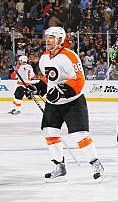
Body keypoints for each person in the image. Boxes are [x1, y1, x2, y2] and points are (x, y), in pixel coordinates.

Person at [28, 27, 105, 182]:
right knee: (50, 133)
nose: (47, 40)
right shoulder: (44, 58)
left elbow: (79, 80)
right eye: (46, 37)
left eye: (51, 37)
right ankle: (59, 167)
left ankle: (96, 164)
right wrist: (36, 88)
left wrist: (61, 91)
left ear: (60, 40)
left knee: (80, 135)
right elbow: (47, 79)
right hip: (53, 104)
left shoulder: (69, 56)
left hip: (73, 102)